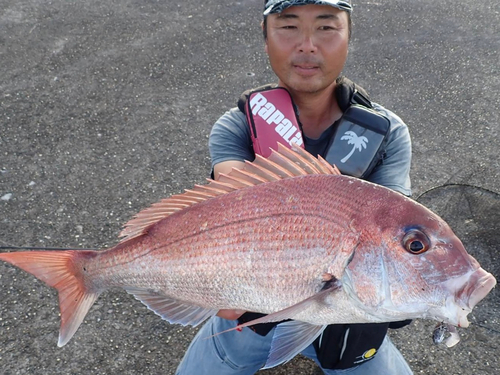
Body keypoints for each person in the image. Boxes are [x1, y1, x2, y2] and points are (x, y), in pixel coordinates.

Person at [176, 1, 413, 374]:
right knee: (232, 345)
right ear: (265, 36)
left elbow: (397, 227)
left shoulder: (387, 132)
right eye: (288, 27)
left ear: (349, 36)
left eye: (325, 27)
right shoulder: (235, 126)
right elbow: (225, 204)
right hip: (253, 306)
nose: (307, 45)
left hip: (349, 315)